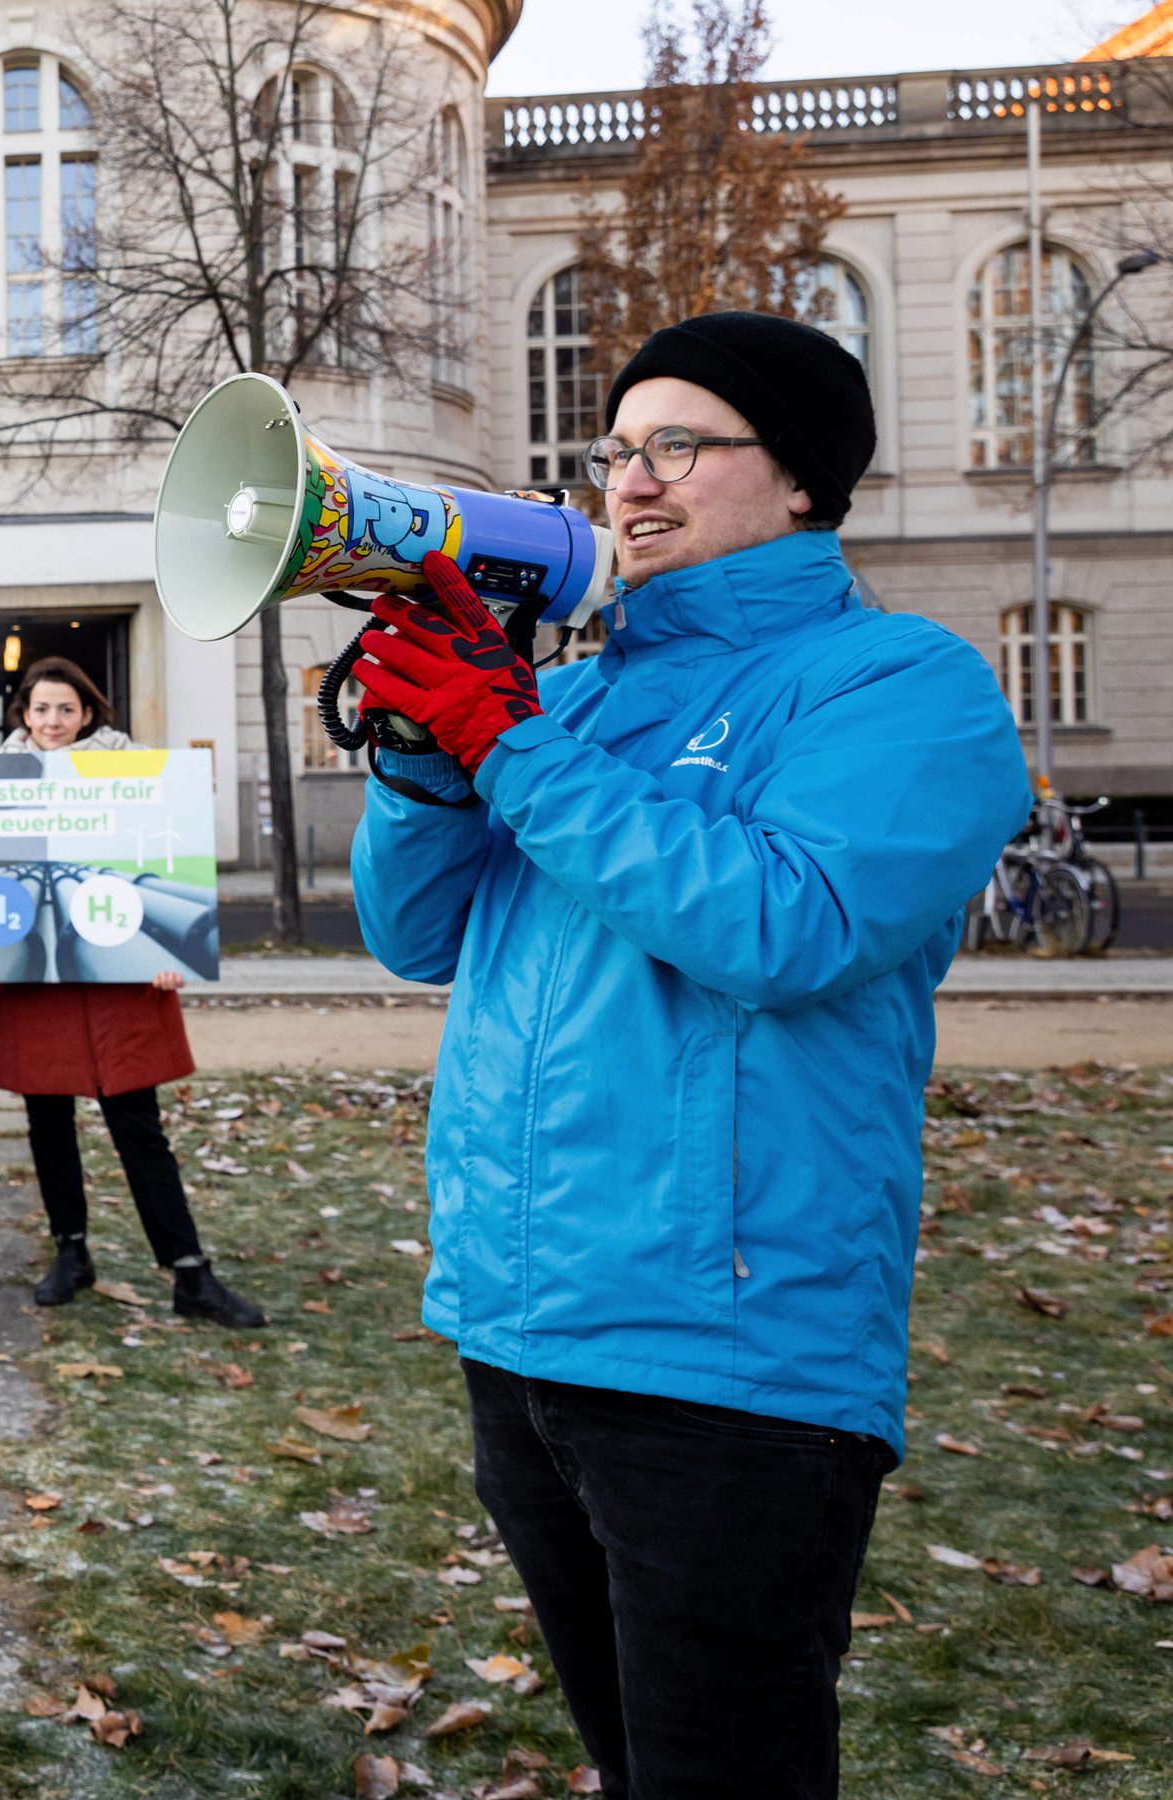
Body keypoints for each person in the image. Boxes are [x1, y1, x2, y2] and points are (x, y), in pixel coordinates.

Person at [347, 311, 1030, 1798]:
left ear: (800, 480)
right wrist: (423, 765)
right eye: (615, 451)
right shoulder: (580, 694)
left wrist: (510, 745)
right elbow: (415, 934)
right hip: (522, 1328)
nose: (630, 483)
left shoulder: (901, 685)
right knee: (631, 1759)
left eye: (678, 446)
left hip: (730, 1360)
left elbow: (788, 925)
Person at [0, 656, 265, 1327]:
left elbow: (166, 861)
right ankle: (71, 1252)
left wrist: (169, 947)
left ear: (89, 713)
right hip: (37, 979)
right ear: (24, 714)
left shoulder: (137, 773)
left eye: (65, 709)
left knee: (138, 1127)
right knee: (48, 1123)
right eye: (40, 709)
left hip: (118, 977)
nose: (52, 722)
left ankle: (190, 1272)